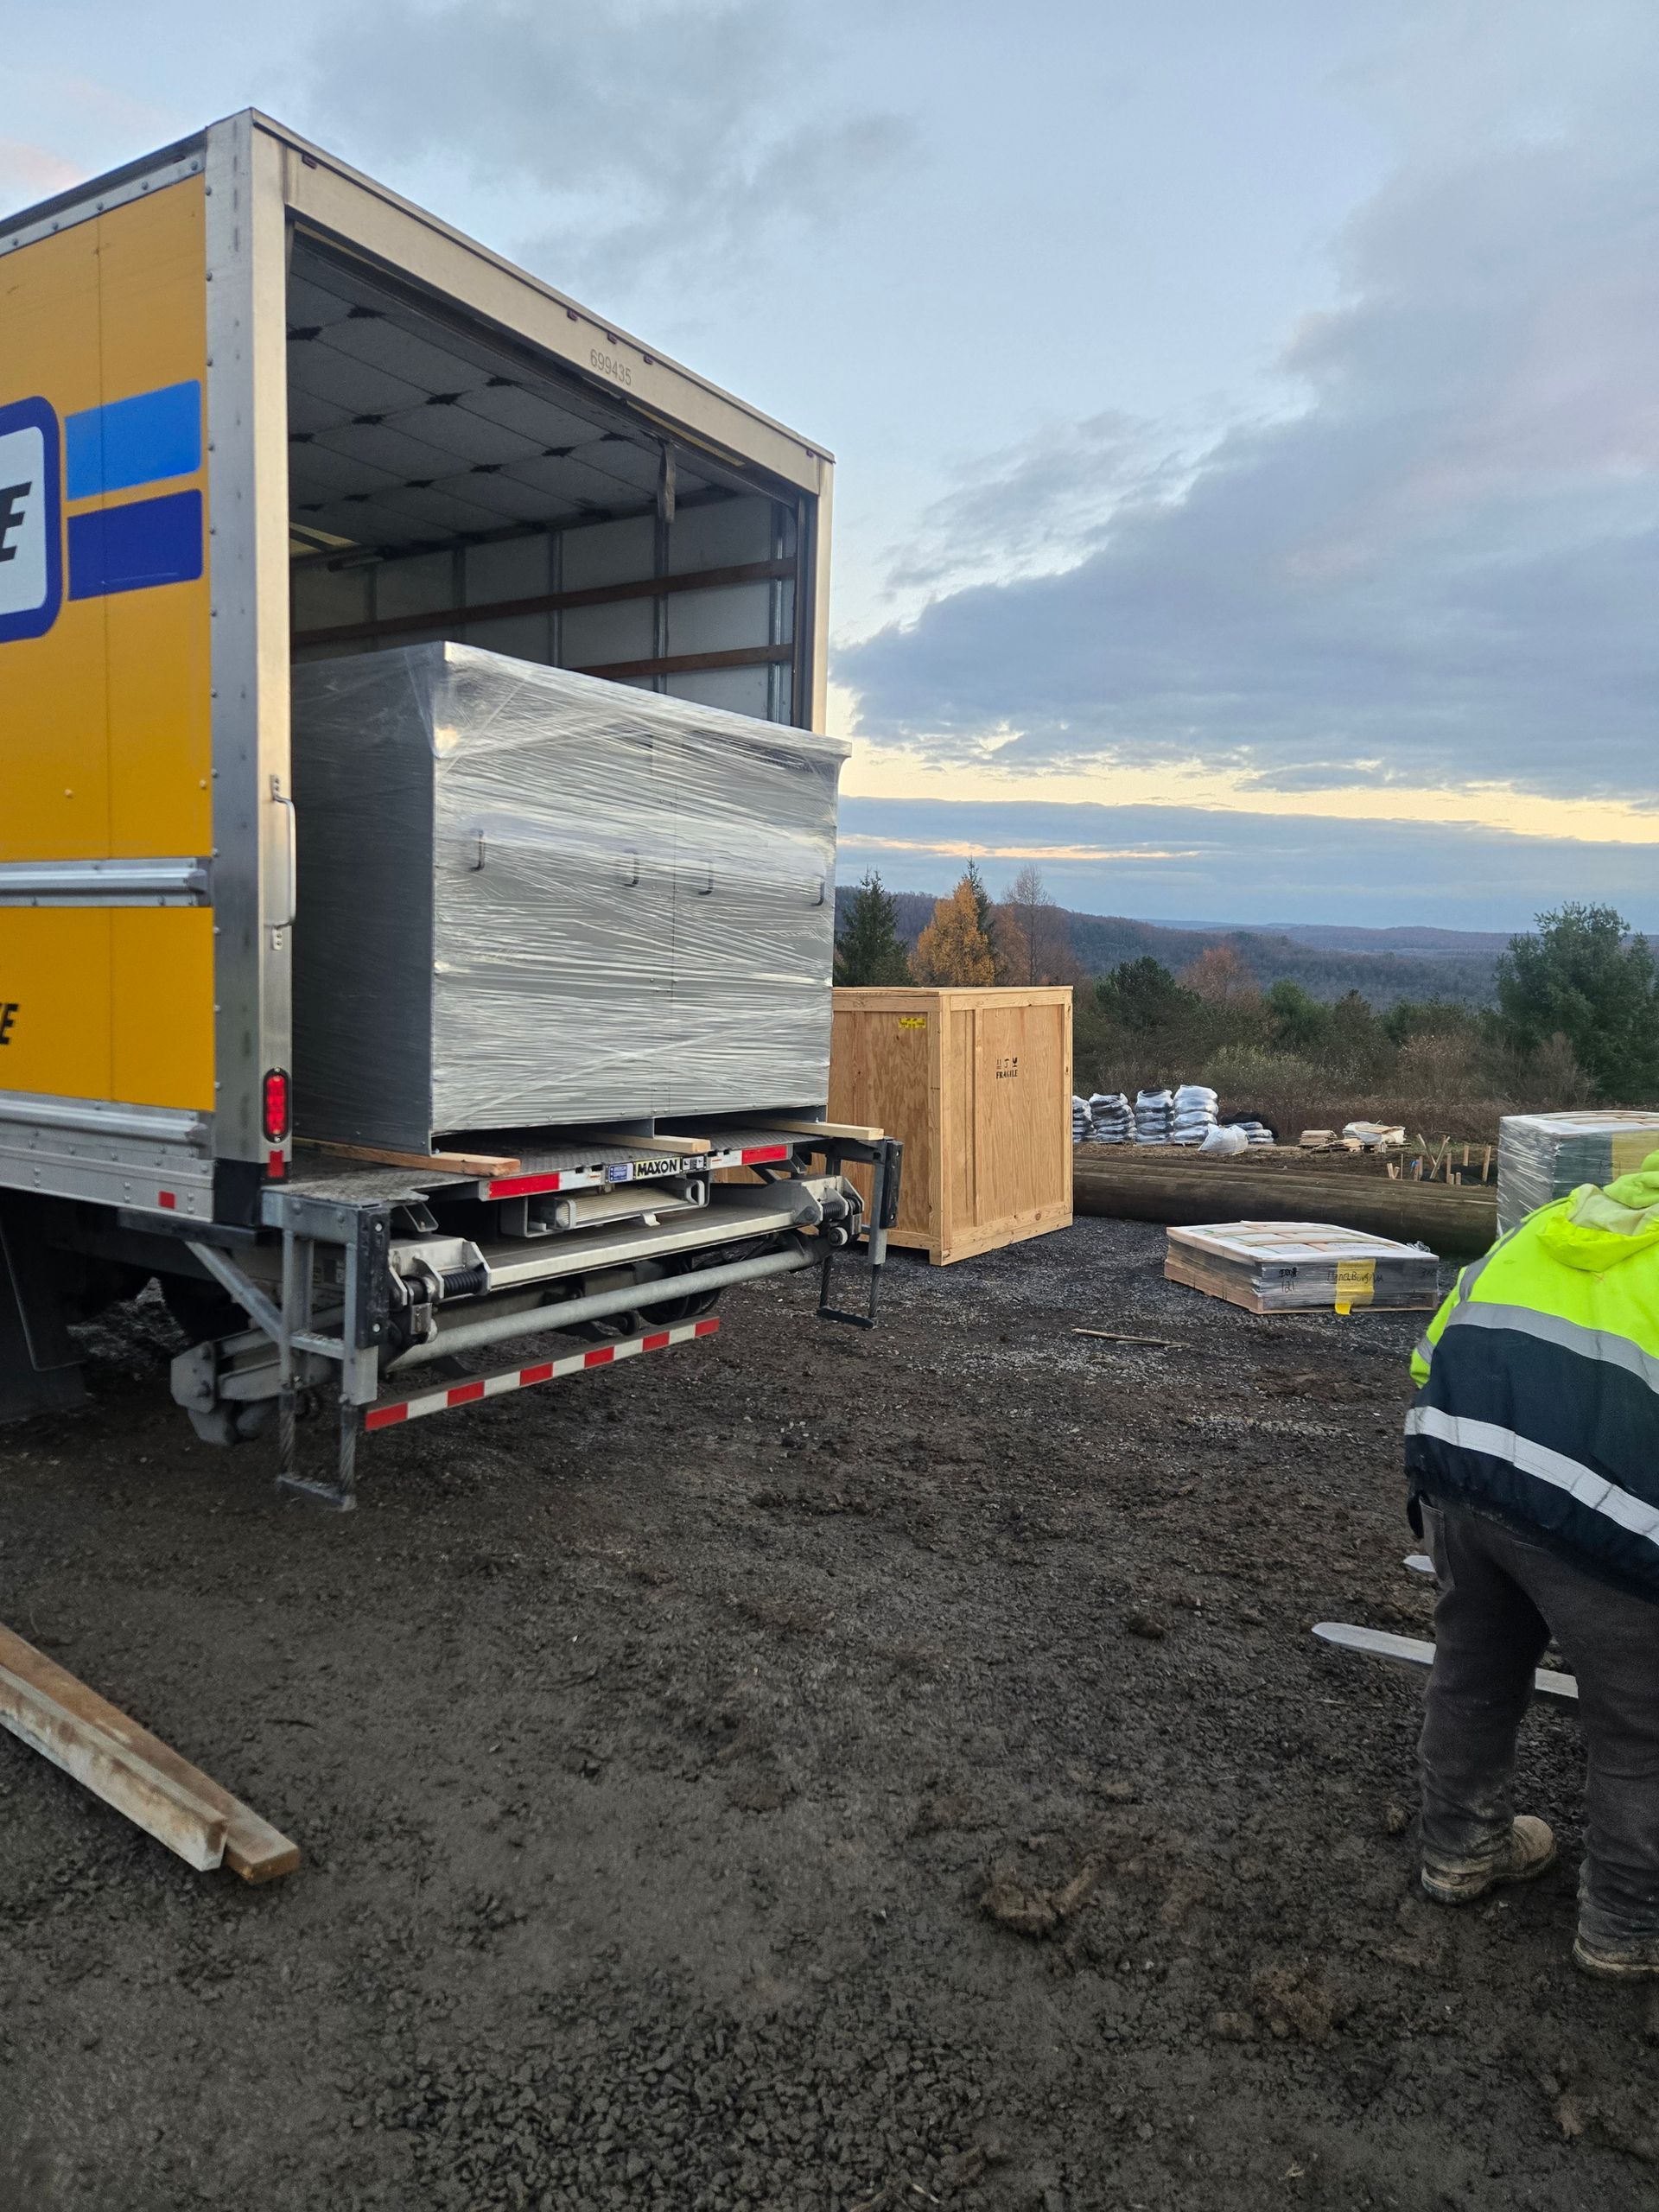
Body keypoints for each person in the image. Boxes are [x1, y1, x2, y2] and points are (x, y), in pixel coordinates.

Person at [1405, 1150, 1659, 1976]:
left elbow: (1426, 1355)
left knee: (1474, 1667)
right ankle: (1626, 1923)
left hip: (1461, 1469)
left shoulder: (1546, 1226)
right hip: (1604, 1517)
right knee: (1639, 1726)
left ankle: (1458, 1850)